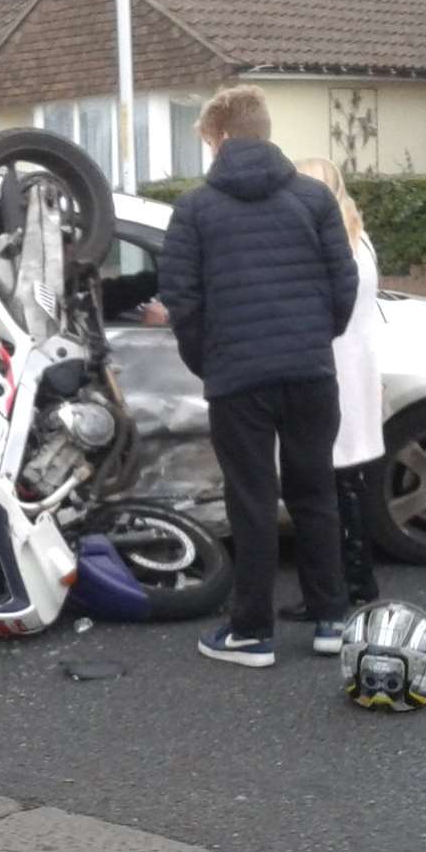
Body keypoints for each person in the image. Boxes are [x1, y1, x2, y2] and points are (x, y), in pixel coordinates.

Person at [155, 85, 359, 668]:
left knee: (251, 501)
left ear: (217, 137)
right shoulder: (315, 199)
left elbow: (182, 300)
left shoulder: (194, 209)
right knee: (315, 491)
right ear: (265, 131)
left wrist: (208, 360)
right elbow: (342, 285)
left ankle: (252, 632)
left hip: (238, 377)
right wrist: (317, 340)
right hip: (310, 372)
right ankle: (331, 619)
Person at [280, 158, 383, 617]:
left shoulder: (328, 244)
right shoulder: (359, 237)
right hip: (354, 370)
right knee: (348, 484)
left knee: (327, 489)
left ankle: (338, 587)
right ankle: (358, 579)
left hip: (332, 371)